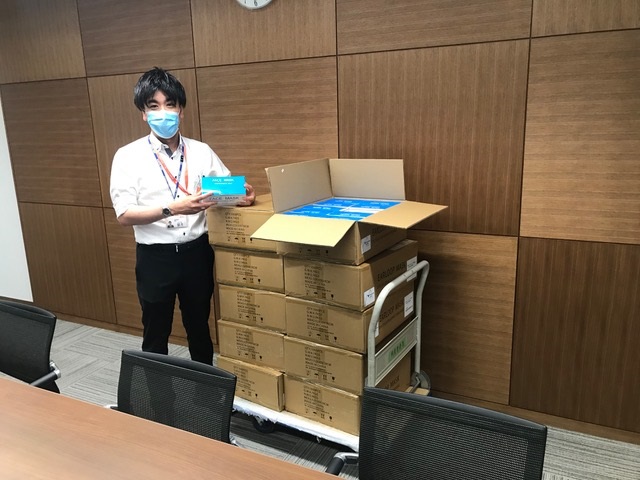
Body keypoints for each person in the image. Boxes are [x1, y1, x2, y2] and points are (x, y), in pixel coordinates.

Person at [110, 67, 255, 365]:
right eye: (154, 106)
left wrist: (242, 195)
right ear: (143, 113)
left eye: (170, 105)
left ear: (181, 110)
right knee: (155, 333)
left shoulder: (201, 151)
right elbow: (124, 214)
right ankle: (156, 391)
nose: (163, 113)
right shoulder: (127, 156)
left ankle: (204, 389)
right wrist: (174, 207)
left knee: (200, 327)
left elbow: (222, 190)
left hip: (197, 254)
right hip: (155, 258)